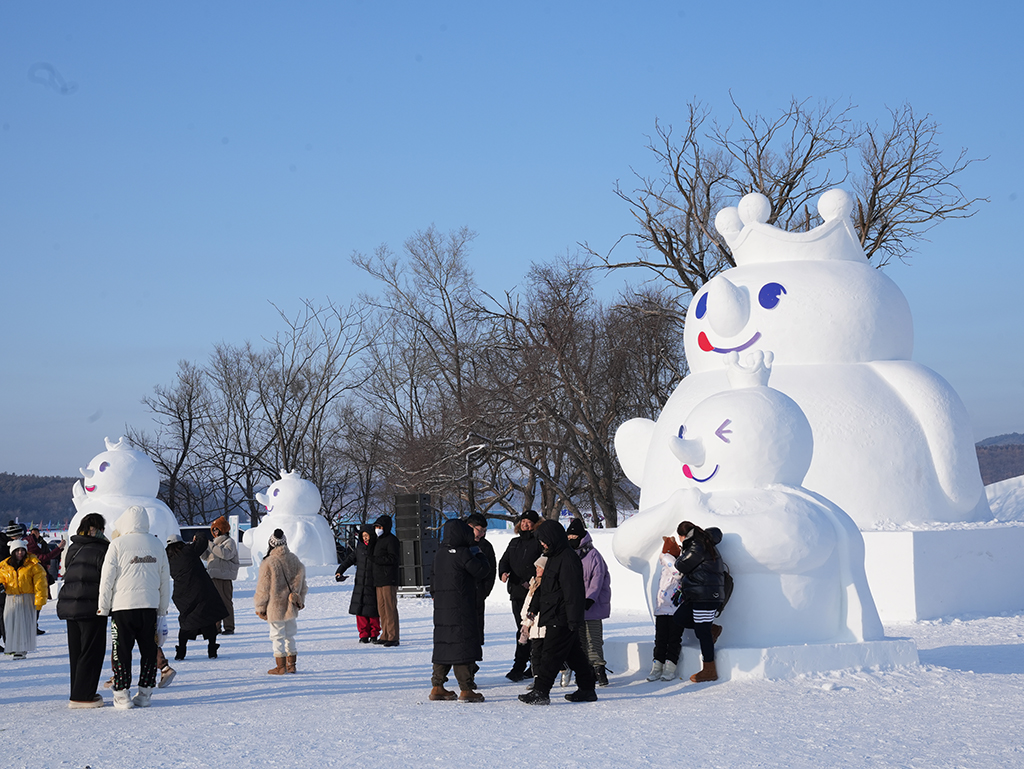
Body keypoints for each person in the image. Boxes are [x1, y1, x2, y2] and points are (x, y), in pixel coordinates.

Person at [97, 505, 172, 710]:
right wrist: (162, 609)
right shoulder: (157, 544)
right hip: (149, 607)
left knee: (121, 651)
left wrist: (103, 607)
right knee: (148, 650)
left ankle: (122, 694)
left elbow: (107, 579)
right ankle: (145, 693)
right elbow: (165, 579)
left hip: (122, 607)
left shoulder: (117, 544)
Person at [518, 520, 597, 705]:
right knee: (574, 655)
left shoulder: (568, 559)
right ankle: (587, 688)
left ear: (553, 538)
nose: (543, 544)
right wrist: (533, 608)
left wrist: (573, 619)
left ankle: (541, 691)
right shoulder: (552, 557)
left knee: (550, 654)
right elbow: (545, 588)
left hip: (562, 616)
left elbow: (573, 592)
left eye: (544, 540)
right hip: (553, 613)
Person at [428, 519, 488, 702]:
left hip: (442, 608)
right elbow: (481, 571)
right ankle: (466, 689)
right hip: (461, 606)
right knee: (462, 645)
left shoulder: (440, 553)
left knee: (444, 645)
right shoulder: (463, 553)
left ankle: (437, 686)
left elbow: (432, 578)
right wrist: (479, 554)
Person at [56, 513, 110, 708]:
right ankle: (83, 695)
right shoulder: (103, 548)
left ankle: (76, 691)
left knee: (76, 651)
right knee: (92, 650)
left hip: (71, 604)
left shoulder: (73, 547)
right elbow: (106, 578)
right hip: (92, 605)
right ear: (99, 529)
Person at [674, 521, 727, 683]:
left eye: (680, 538)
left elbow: (682, 565)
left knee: (702, 633)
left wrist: (677, 554)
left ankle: (709, 669)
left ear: (683, 535)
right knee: (680, 618)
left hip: (705, 594)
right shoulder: (702, 542)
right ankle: (713, 629)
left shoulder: (697, 545)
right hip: (700, 593)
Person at [254, 529, 308, 674]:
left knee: (277, 636)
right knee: (290, 635)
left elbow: (263, 588)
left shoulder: (269, 562)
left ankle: (280, 666)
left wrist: (260, 607)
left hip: (275, 606)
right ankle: (292, 665)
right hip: (291, 605)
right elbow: (302, 582)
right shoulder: (294, 559)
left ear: (271, 544)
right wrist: (300, 599)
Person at [566, 518, 612, 686]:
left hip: (592, 605)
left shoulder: (593, 555)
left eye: (574, 536)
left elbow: (597, 579)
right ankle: (586, 670)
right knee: (580, 640)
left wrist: (589, 598)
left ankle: (599, 669)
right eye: (569, 536)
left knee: (593, 639)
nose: (571, 539)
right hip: (575, 606)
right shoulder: (569, 555)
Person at [167, 535, 228, 660]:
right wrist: (197, 536)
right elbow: (202, 541)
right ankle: (212, 650)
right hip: (200, 590)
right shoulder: (188, 550)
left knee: (186, 622)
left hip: (182, 593)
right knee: (208, 619)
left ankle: (181, 652)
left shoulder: (167, 557)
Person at [497, 510, 542, 681]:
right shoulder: (514, 542)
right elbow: (504, 561)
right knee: (522, 630)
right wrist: (503, 572)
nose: (525, 524)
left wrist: (530, 581)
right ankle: (527, 664)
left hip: (533, 593)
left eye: (529, 521)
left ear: (535, 524)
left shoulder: (538, 541)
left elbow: (542, 564)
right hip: (516, 592)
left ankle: (524, 666)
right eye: (523, 521)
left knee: (529, 630)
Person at [0, 537, 48, 659]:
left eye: (22, 550)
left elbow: (40, 584)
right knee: (10, 623)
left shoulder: (34, 565)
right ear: (12, 552)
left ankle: (21, 648)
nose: (20, 553)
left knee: (24, 624)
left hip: (27, 598)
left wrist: (39, 600)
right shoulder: (4, 566)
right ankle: (13, 646)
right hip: (11, 598)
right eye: (17, 550)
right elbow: (2, 579)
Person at [648, 535, 686, 681]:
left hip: (674, 610)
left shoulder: (672, 567)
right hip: (663, 609)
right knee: (661, 639)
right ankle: (657, 665)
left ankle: (669, 667)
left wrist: (668, 558)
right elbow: (676, 574)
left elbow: (678, 575)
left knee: (673, 639)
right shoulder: (667, 567)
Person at [335, 524, 379, 642]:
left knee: (373, 611)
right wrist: (339, 571)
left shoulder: (377, 548)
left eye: (367, 535)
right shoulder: (359, 549)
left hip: (373, 583)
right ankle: (363, 634)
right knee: (360, 611)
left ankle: (374, 634)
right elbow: (349, 560)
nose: (365, 538)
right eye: (363, 535)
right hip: (360, 583)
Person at [203, 516, 240, 635]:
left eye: (217, 529)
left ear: (223, 529)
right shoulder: (213, 543)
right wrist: (201, 546)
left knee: (226, 602)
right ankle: (216, 627)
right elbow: (205, 557)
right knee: (214, 602)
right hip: (213, 576)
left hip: (224, 577)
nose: (214, 532)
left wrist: (210, 545)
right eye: (213, 530)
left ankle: (229, 626)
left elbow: (225, 554)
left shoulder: (229, 542)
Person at [465, 513, 496, 646]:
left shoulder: (486, 546)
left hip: (478, 594)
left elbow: (491, 571)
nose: (482, 534)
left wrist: (484, 592)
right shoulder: (459, 544)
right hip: (460, 594)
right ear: (469, 527)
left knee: (476, 633)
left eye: (484, 531)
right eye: (479, 530)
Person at [369, 514, 400, 647]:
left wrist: (377, 560)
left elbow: (392, 558)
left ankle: (393, 636)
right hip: (379, 579)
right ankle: (385, 634)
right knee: (382, 609)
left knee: (390, 608)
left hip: (389, 578)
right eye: (376, 527)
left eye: (380, 527)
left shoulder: (391, 540)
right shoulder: (377, 540)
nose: (378, 529)